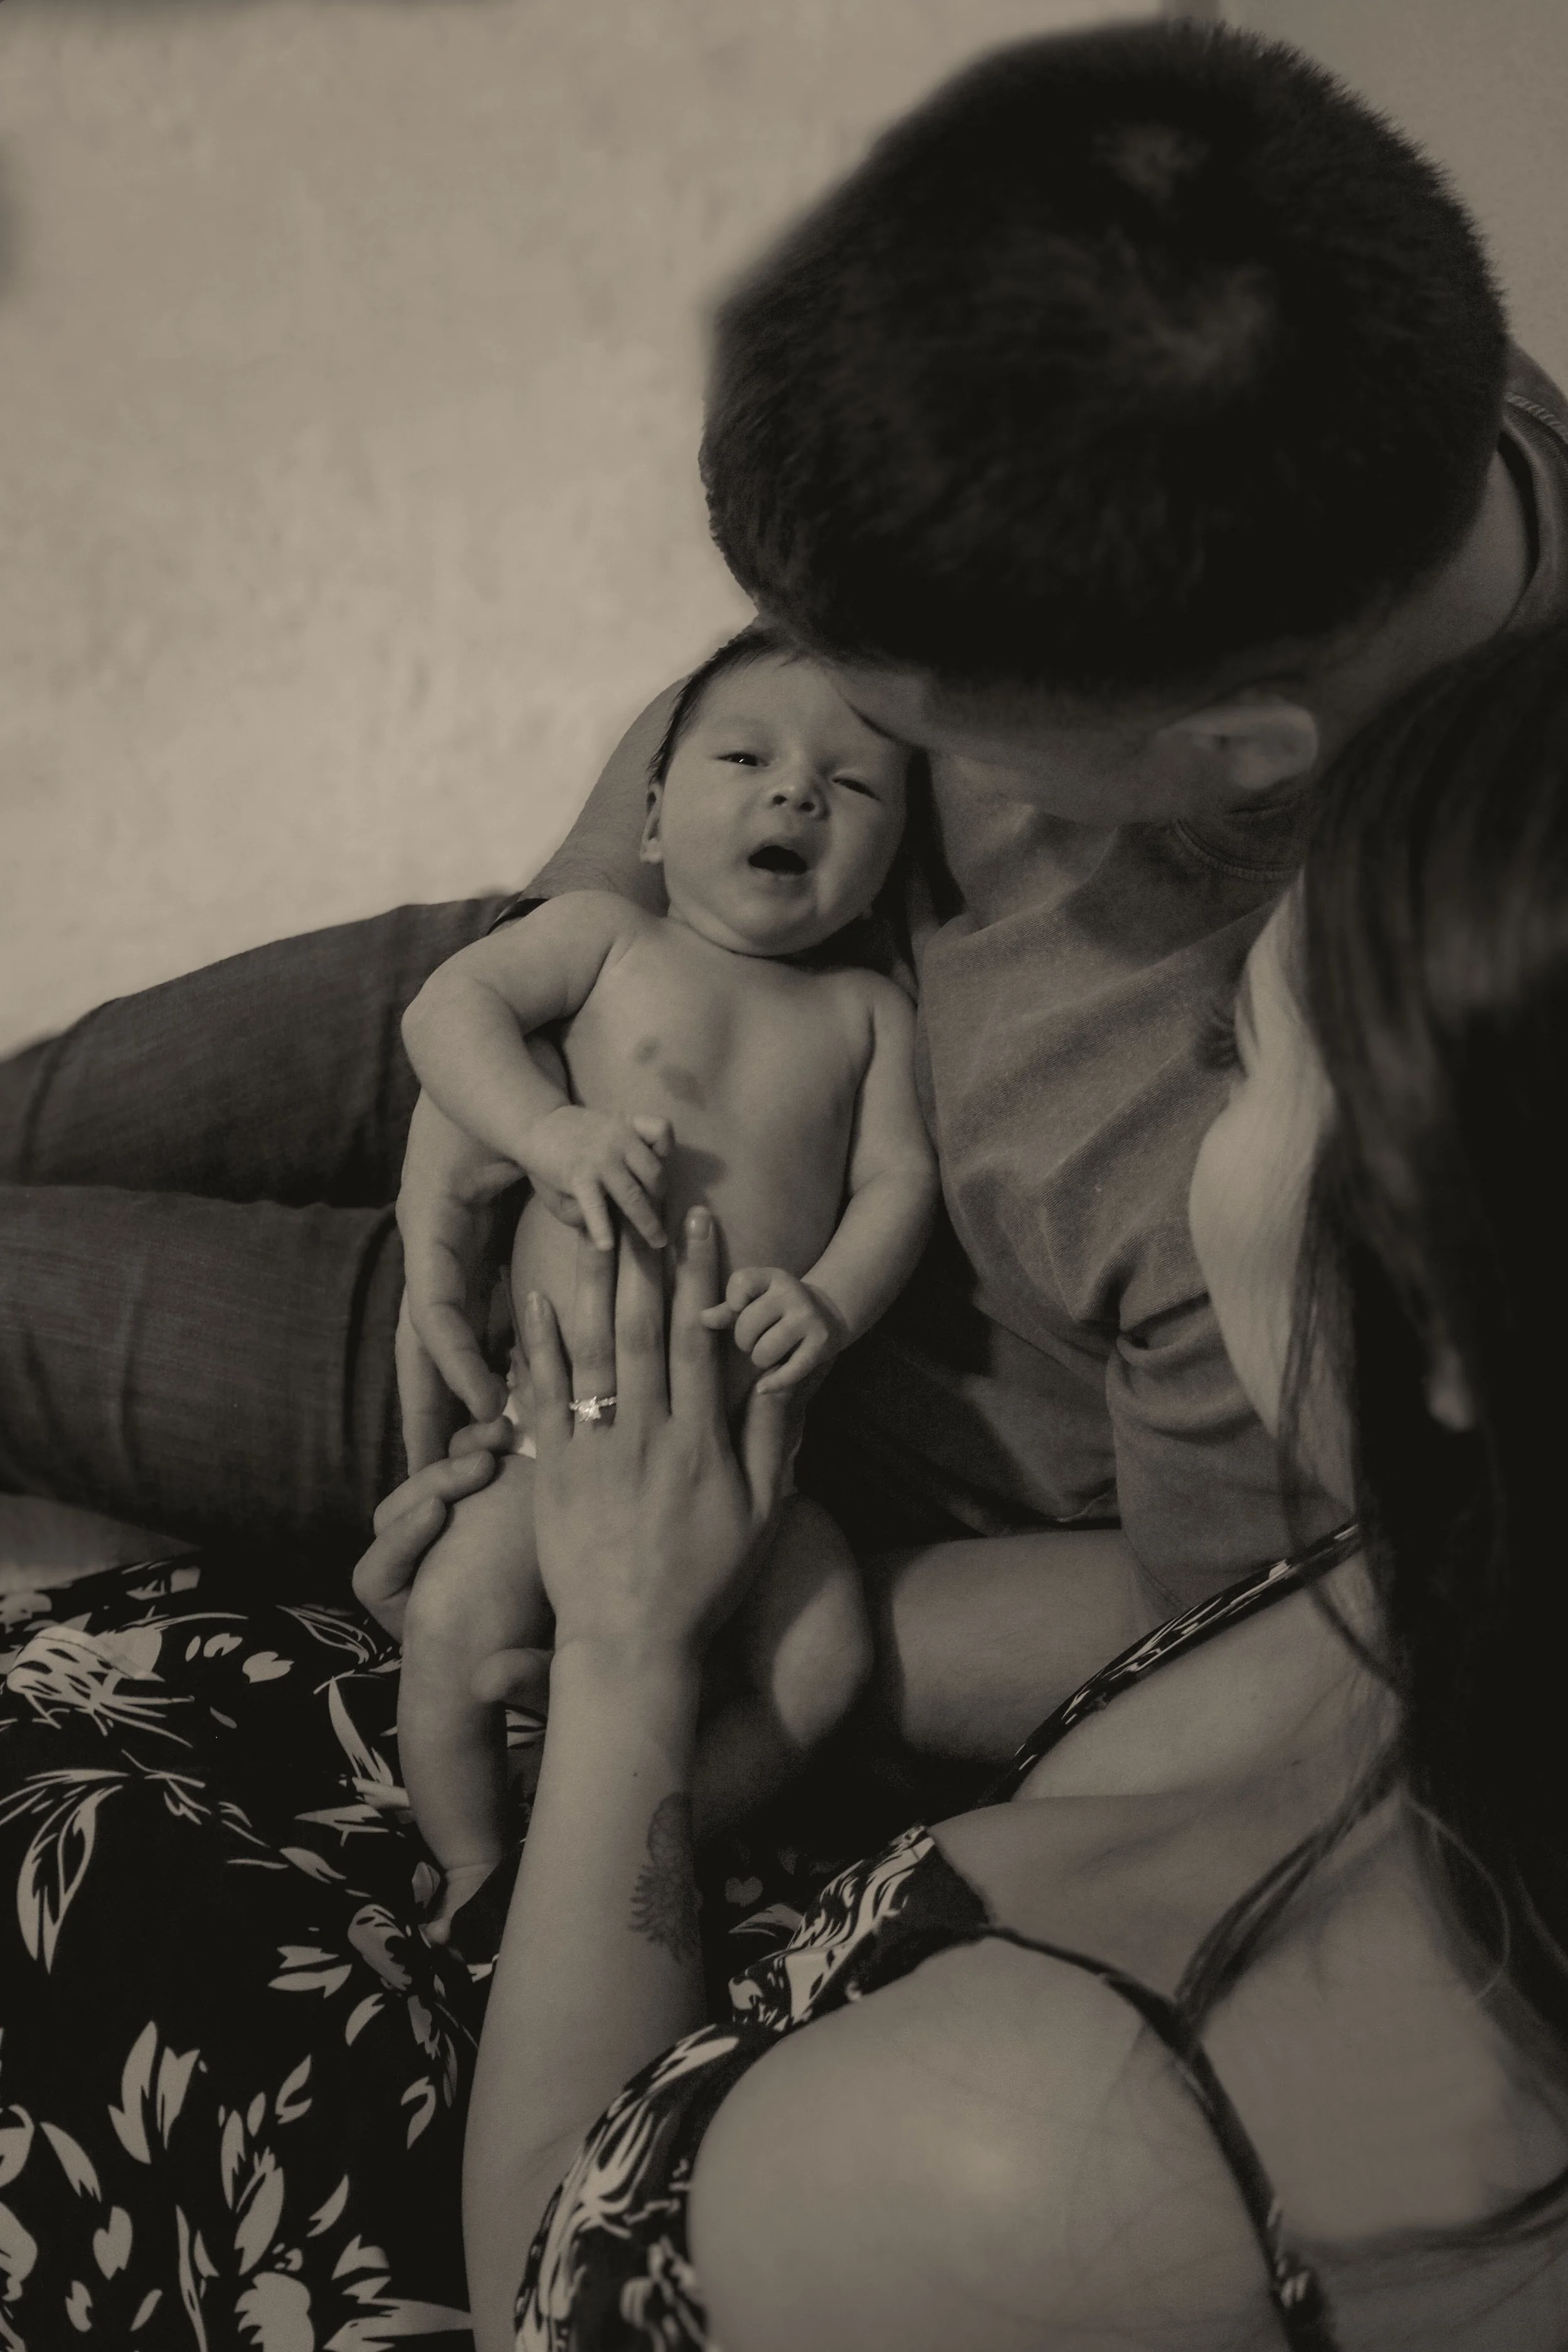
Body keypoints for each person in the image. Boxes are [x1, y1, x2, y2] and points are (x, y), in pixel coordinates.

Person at [6, 21, 1566, 1749]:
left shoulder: (1316, 1141)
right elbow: (785, 664)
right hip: (575, 991)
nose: (807, 726)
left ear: (1230, 755)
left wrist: (682, 1599)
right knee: (42, 1107)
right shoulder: (1354, 376)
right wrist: (545, 967)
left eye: (892, 731)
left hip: (652, 1397)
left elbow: (1206, 1640)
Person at [436, 620, 1568, 2351]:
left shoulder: (1027, 2160)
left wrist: (627, 1647)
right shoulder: (1459, 1555)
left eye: (1237, 1059)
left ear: (1432, 1298)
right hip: (612, 1456)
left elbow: (551, 2275)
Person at [388, 625, 935, 1935]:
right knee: (453, 1621)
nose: (795, 791)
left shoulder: (868, 1016)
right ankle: (471, 1868)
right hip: (553, 1438)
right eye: (743, 757)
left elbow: (896, 1188)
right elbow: (443, 1012)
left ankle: (626, 1830)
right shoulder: (603, 939)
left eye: (852, 787)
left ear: (887, 866)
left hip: (754, 1465)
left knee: (822, 1663)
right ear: (646, 814)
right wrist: (543, 1131)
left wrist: (830, 1301)